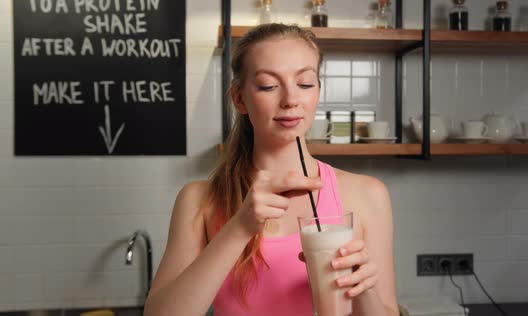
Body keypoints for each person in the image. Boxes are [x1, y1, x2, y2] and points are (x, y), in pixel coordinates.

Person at [144, 23, 399, 316]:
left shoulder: (368, 194)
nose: (291, 100)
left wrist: (363, 289)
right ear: (239, 98)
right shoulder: (199, 200)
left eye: (305, 83)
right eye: (268, 85)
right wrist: (239, 227)